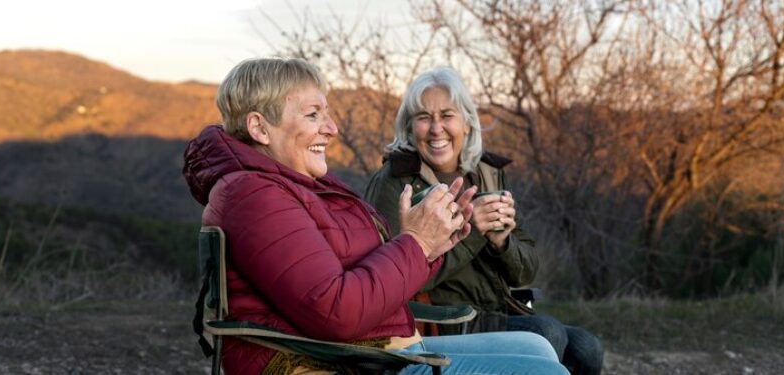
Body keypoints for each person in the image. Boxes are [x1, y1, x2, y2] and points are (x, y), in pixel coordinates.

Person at [182, 57, 569, 375]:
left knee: (536, 345)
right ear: (259, 127)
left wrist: (435, 243)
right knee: (547, 371)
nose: (331, 129)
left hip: (373, 344)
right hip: (334, 359)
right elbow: (337, 312)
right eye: (314, 115)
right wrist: (415, 242)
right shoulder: (256, 196)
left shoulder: (300, 185)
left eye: (327, 114)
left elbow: (375, 271)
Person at [364, 67, 604, 375]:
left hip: (494, 309)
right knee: (547, 332)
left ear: (466, 122)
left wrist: (503, 243)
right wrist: (473, 228)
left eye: (447, 115)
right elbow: (391, 280)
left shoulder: (487, 172)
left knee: (587, 347)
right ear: (410, 127)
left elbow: (526, 271)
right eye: (424, 117)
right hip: (440, 319)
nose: (436, 129)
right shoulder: (396, 181)